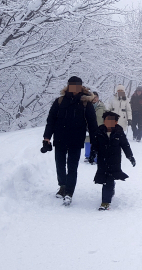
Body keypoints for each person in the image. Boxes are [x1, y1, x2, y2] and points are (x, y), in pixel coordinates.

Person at [41, 76, 98, 206]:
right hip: (60, 138)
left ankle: (69, 193)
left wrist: (95, 143)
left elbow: (92, 124)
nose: (75, 89)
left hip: (76, 139)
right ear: (68, 86)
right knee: (60, 165)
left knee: (72, 167)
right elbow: (51, 121)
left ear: (80, 87)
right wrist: (46, 138)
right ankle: (62, 186)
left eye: (77, 86)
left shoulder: (85, 103)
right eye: (72, 86)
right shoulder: (59, 101)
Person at [89, 111, 136, 211]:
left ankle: (105, 202)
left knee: (109, 179)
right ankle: (109, 192)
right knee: (104, 178)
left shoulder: (119, 132)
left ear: (116, 122)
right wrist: (92, 154)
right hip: (102, 160)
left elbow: (125, 145)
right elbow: (95, 145)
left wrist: (130, 157)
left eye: (112, 121)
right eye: (107, 120)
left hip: (115, 160)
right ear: (104, 121)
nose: (109, 123)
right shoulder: (99, 131)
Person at [84, 91, 106, 163]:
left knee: (98, 142)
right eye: (93, 97)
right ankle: (87, 156)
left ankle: (97, 156)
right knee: (88, 141)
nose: (94, 99)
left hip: (99, 127)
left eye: (96, 97)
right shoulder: (86, 106)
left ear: (98, 98)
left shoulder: (102, 106)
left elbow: (106, 116)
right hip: (88, 127)